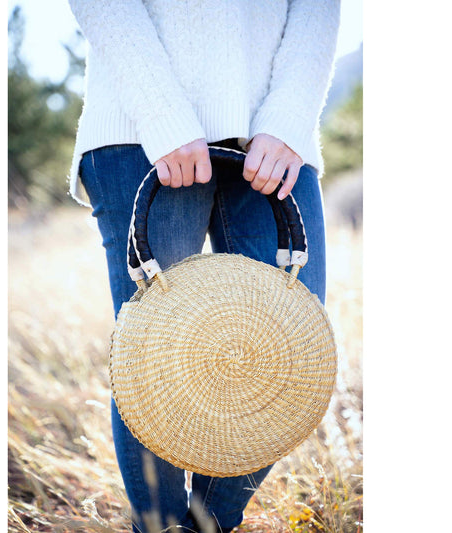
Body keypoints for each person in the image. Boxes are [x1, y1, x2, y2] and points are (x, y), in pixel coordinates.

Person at [67, 1, 340, 531]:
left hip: (274, 133)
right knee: (152, 355)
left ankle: (206, 525)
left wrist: (289, 118)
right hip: (137, 127)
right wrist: (162, 111)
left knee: (290, 344)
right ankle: (163, 526)